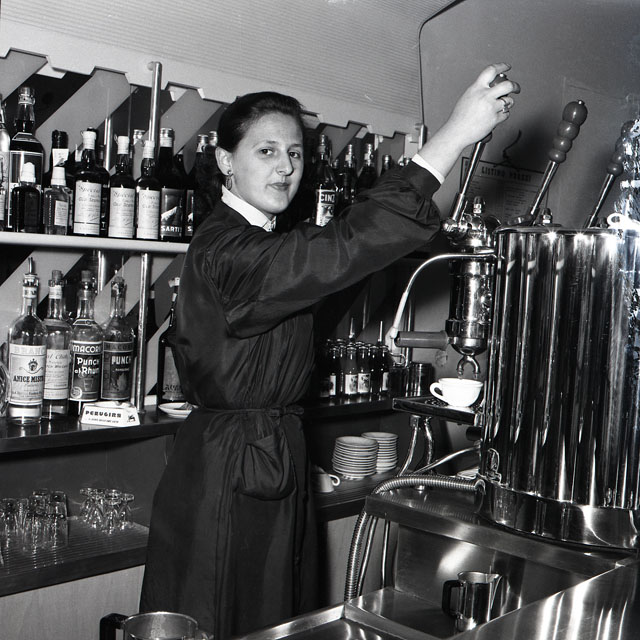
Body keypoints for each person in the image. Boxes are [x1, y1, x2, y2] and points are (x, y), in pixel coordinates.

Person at [139, 62, 520, 639]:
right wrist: (453, 137)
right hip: (232, 468)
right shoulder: (230, 249)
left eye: (294, 153)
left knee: (276, 617)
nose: (286, 167)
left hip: (267, 454)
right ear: (225, 160)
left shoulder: (264, 242)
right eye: (267, 151)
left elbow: (339, 261)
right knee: (228, 619)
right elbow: (340, 249)